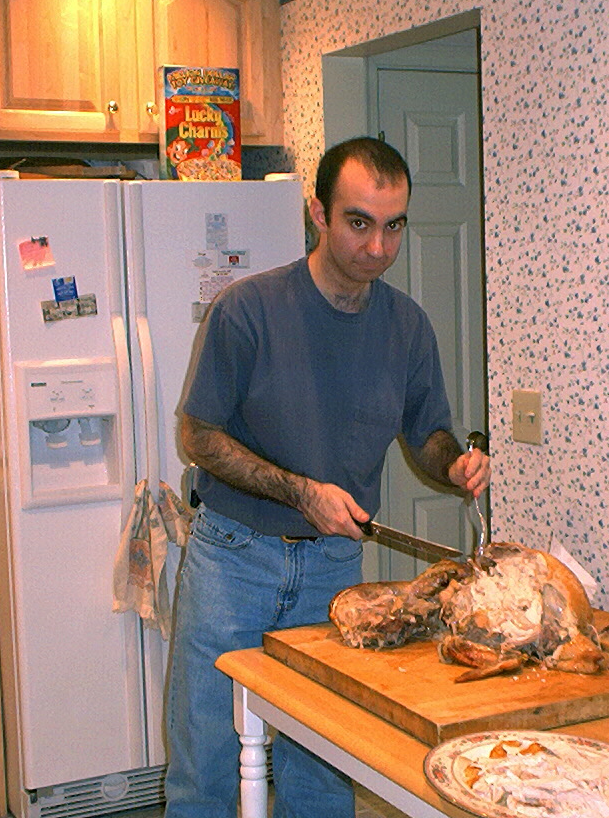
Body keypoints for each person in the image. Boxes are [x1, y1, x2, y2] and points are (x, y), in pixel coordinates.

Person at [164, 136, 490, 818]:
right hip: (233, 560)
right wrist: (299, 491)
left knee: (321, 773)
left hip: (334, 570)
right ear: (319, 213)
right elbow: (198, 437)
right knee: (206, 768)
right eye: (359, 223)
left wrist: (454, 463)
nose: (377, 247)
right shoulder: (248, 310)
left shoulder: (407, 327)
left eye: (393, 226)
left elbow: (426, 434)